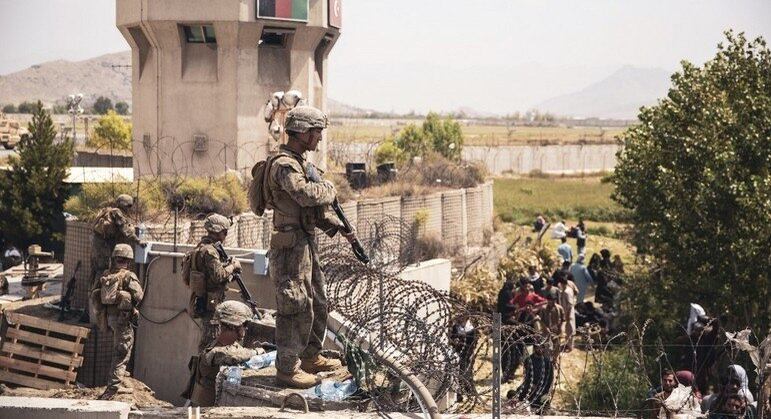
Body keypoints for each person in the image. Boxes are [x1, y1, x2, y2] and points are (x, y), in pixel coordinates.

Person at [264, 106, 354, 388]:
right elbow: (304, 195)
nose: (319, 138)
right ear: (302, 132)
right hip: (290, 246)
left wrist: (334, 226)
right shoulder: (284, 164)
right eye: (316, 132)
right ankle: (287, 369)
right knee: (295, 304)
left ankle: (310, 356)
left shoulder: (300, 162)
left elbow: (310, 209)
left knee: (318, 300)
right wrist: (330, 189)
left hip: (305, 241)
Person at [89, 244, 143, 400]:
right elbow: (138, 296)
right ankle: (112, 389)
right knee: (122, 351)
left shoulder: (105, 274)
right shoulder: (128, 275)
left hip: (109, 319)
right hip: (122, 320)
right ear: (128, 259)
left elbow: (95, 294)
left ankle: (120, 376)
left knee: (120, 347)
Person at [187, 300, 263, 407]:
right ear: (232, 326)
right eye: (244, 324)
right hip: (202, 411)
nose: (245, 328)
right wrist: (256, 352)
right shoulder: (213, 351)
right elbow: (231, 356)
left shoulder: (233, 346)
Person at [188, 213, 243, 351]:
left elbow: (209, 275)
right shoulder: (210, 251)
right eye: (225, 232)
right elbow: (218, 276)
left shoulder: (200, 247)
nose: (225, 235)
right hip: (211, 304)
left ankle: (201, 370)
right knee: (209, 344)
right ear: (220, 232)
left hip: (204, 300)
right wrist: (233, 266)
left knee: (207, 343)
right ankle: (203, 372)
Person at [90, 195, 140, 291]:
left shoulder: (111, 212)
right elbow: (125, 230)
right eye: (129, 206)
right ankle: (99, 294)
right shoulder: (117, 212)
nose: (130, 209)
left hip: (99, 244)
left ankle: (95, 293)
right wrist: (138, 240)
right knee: (103, 269)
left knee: (97, 269)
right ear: (124, 205)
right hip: (103, 246)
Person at [540, 289, 565, 360]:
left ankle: (554, 360)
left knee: (557, 346)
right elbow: (541, 320)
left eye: (554, 300)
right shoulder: (543, 309)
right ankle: (547, 361)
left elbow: (563, 320)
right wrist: (546, 328)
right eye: (551, 300)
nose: (552, 302)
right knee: (547, 347)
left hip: (557, 331)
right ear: (548, 300)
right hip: (546, 331)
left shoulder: (559, 308)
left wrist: (561, 328)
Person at [557, 275, 578, 352]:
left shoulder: (567, 292)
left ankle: (570, 346)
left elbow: (570, 305)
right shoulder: (567, 289)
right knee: (568, 329)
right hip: (566, 311)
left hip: (569, 312)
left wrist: (567, 315)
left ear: (563, 284)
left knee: (570, 329)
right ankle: (568, 344)